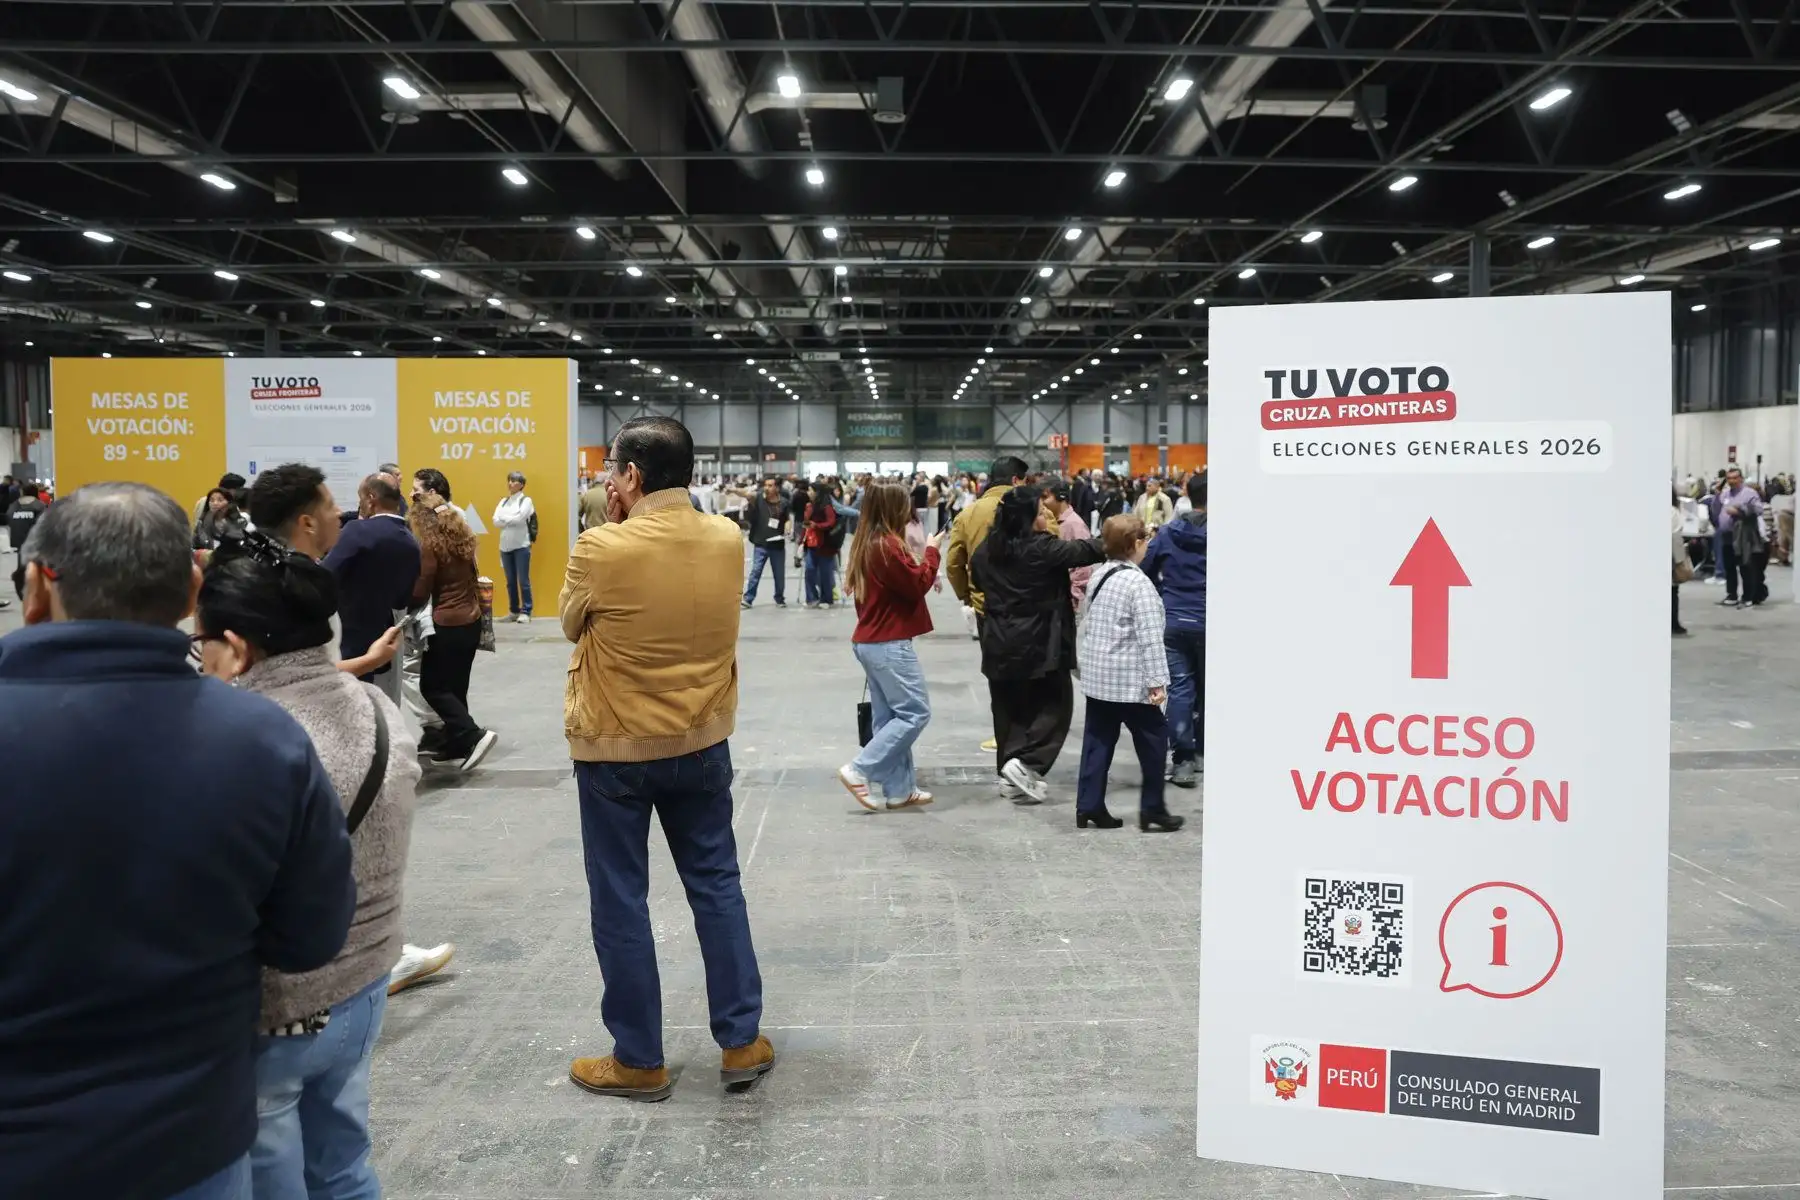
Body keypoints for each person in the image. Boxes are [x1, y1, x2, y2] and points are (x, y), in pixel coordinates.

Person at [0, 482, 355, 1200]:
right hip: (186, 1141)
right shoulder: (264, 742)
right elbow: (311, 939)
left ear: (37, 586)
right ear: (194, 585)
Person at [194, 534, 422, 1199]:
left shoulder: (246, 737)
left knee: (272, 1178)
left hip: (282, 1009)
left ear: (235, 646)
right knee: (344, 1167)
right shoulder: (379, 710)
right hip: (367, 983)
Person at [559, 416, 772, 1102]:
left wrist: (616, 528)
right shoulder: (727, 537)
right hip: (702, 742)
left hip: (615, 749)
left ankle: (639, 1058)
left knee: (621, 899)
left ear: (631, 476)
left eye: (612, 472)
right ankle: (741, 1042)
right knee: (717, 884)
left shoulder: (599, 548)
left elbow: (570, 621)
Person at [970, 488, 1105, 803]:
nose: (1046, 516)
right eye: (1041, 512)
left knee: (1008, 711)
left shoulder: (986, 550)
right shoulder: (1041, 548)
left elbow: (977, 580)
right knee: (1055, 707)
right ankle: (1028, 763)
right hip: (1039, 643)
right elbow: (1083, 551)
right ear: (1028, 519)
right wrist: (1117, 538)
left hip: (998, 642)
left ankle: (1009, 773)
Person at [838, 484, 946, 811]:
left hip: (872, 642)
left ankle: (899, 790)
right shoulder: (886, 547)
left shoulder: (867, 544)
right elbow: (917, 585)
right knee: (915, 713)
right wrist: (931, 550)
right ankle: (860, 769)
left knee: (889, 719)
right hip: (887, 643)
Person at [1074, 514, 1185, 831]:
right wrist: (1158, 683)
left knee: (1097, 742)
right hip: (1130, 683)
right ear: (1135, 543)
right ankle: (1153, 809)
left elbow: (1089, 623)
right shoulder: (1139, 584)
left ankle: (1089, 806)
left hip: (1099, 680)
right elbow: (1151, 638)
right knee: (1154, 743)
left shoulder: (1101, 575)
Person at [410, 502, 498, 770]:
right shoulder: (464, 542)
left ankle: (474, 734)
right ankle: (456, 743)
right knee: (456, 688)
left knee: (432, 687)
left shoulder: (430, 546)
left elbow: (421, 591)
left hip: (446, 624)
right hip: (470, 622)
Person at [1141, 472, 1208, 787]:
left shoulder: (1167, 534)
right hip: (1214, 624)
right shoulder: (1234, 534)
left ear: (1186, 493)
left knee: (1180, 691)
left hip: (1176, 620)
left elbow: (1145, 572)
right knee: (1212, 692)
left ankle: (1181, 761)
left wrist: (1164, 597)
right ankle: (1204, 755)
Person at [323, 474, 421, 682]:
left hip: (340, 636)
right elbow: (402, 600)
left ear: (371, 498)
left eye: (360, 499)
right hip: (376, 638)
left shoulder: (356, 531)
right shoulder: (411, 543)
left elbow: (324, 576)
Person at [946, 455, 1028, 624]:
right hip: (1028, 607)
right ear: (1015, 480)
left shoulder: (966, 515)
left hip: (985, 606)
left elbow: (953, 564)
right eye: (1025, 482)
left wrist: (968, 596)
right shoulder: (1038, 512)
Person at [1707, 467, 1763, 607]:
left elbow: (1758, 509)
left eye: (1734, 478)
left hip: (1742, 536)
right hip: (1726, 535)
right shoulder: (1725, 494)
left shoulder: (1749, 493)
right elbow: (1716, 511)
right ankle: (1731, 595)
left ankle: (1747, 597)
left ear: (1740, 479)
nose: (1731, 481)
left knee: (1745, 566)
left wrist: (1740, 510)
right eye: (1729, 478)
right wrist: (1717, 495)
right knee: (1729, 566)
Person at [1040, 478, 1095, 606]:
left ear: (1061, 497)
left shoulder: (1074, 524)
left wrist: (1073, 594)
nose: (1041, 502)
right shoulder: (1049, 520)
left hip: (1067, 599)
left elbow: (1084, 566)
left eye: (1045, 497)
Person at [493, 470, 536, 623]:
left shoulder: (526, 501)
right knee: (510, 581)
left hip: (521, 546)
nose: (510, 483)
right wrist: (509, 519)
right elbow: (495, 520)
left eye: (514, 481)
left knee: (523, 580)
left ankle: (526, 611)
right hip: (505, 547)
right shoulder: (503, 502)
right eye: (509, 480)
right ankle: (513, 611)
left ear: (522, 484)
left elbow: (520, 518)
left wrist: (505, 519)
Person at [741, 478, 790, 609]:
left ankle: (779, 598)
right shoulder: (759, 500)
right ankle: (748, 598)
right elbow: (747, 495)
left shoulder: (784, 503)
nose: (767, 488)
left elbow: (787, 519)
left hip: (777, 544)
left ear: (777, 488)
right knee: (755, 571)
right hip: (761, 544)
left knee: (779, 574)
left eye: (770, 485)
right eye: (765, 485)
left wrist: (788, 527)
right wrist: (733, 490)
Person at [803, 487, 841, 608]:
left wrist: (817, 525)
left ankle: (826, 599)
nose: (808, 493)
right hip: (810, 543)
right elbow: (806, 524)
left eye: (811, 490)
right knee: (809, 569)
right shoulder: (809, 506)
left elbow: (831, 522)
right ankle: (811, 597)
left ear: (817, 492)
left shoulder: (827, 507)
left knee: (825, 573)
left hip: (824, 544)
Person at [193, 486, 250, 552]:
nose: (215, 503)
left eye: (220, 500)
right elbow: (194, 547)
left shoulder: (240, 522)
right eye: (211, 500)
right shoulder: (201, 524)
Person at [1672, 492, 1689, 637]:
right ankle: (1673, 624)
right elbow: (1675, 536)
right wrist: (1679, 561)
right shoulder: (1673, 512)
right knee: (1672, 592)